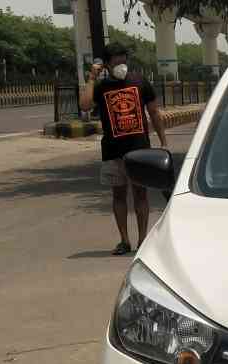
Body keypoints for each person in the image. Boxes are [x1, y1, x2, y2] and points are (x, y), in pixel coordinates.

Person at [79, 44, 168, 255]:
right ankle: (124, 241)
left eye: (123, 60)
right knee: (118, 195)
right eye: (116, 61)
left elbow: (154, 112)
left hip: (139, 149)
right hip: (112, 151)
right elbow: (84, 106)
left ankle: (143, 240)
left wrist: (163, 143)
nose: (121, 65)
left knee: (141, 195)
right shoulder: (101, 87)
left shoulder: (139, 81)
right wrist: (92, 78)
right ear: (107, 64)